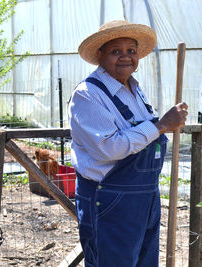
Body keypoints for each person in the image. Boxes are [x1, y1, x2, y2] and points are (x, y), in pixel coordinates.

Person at [68, 20, 188, 267]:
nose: (126, 58)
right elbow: (110, 148)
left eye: (131, 51)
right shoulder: (88, 94)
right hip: (109, 201)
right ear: (99, 55)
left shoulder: (135, 89)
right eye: (116, 51)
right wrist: (161, 125)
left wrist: (166, 124)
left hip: (145, 199)